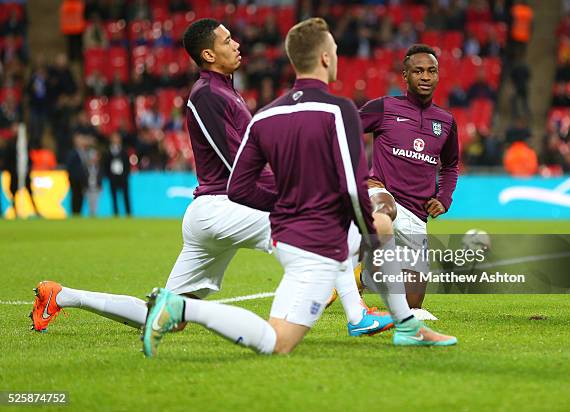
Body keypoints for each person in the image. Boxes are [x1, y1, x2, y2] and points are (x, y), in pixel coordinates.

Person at [30, 19, 390, 338]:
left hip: (219, 212)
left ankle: (61, 295)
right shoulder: (206, 96)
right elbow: (236, 166)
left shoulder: (225, 92)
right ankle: (357, 315)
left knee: (162, 313)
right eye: (227, 40)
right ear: (208, 54)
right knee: (324, 224)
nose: (236, 44)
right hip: (224, 205)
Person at [142, 18, 456, 357]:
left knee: (279, 339)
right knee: (376, 226)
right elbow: (351, 186)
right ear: (324, 58)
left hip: (282, 231)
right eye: (334, 51)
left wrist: (288, 205)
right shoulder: (339, 111)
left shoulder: (266, 114)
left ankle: (385, 320)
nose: (337, 57)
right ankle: (182, 308)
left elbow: (241, 188)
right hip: (310, 241)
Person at [357, 44, 460, 320]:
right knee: (383, 211)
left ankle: (362, 276)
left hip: (417, 213)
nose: (425, 76)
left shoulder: (446, 121)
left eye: (431, 71)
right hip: (383, 194)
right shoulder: (383, 107)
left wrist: (444, 199)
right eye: (418, 71)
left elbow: (450, 166)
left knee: (413, 305)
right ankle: (352, 254)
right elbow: (345, 133)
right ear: (405, 75)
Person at [104, 132, 131, 216]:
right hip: (113, 178)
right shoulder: (108, 152)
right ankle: (116, 214)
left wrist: (126, 175)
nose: (116, 139)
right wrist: (109, 176)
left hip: (123, 177)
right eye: (114, 137)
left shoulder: (124, 151)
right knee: (114, 197)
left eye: (117, 138)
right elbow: (106, 165)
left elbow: (127, 164)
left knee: (126, 197)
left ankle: (128, 213)